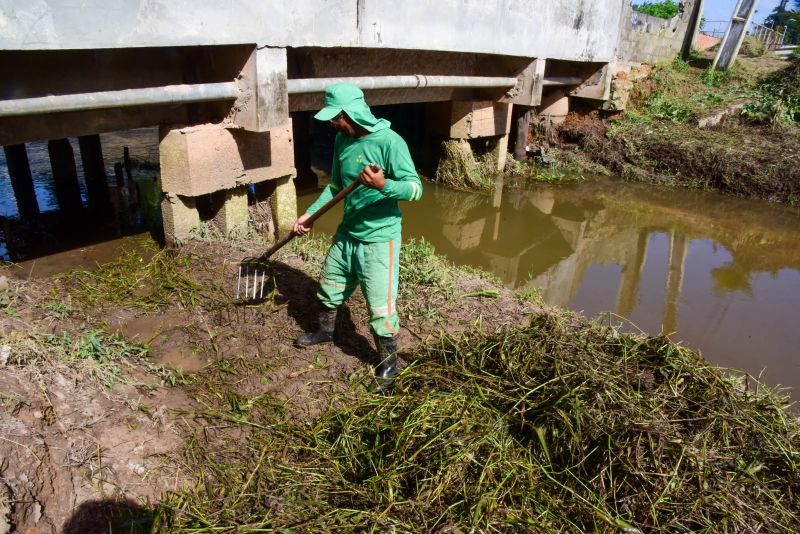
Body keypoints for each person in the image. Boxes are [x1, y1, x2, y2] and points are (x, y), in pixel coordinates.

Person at [293, 83, 422, 387]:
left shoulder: (390, 142)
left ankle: (389, 364)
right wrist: (311, 215)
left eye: (334, 117)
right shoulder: (341, 140)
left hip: (379, 238)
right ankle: (326, 332)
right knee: (329, 285)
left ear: (350, 113)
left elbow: (415, 189)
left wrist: (383, 185)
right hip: (348, 232)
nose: (330, 123)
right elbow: (336, 186)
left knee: (380, 306)